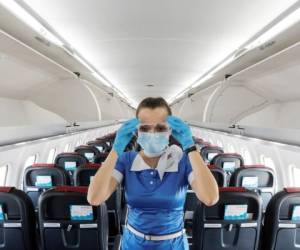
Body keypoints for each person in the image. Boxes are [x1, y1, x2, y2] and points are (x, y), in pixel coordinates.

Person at [87, 97, 219, 250]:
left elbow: (210, 198)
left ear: (170, 131)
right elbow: (95, 198)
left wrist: (190, 147)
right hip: (133, 244)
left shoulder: (182, 160)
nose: (153, 133)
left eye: (161, 128)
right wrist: (116, 149)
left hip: (173, 245)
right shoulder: (126, 160)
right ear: (136, 131)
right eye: (145, 128)